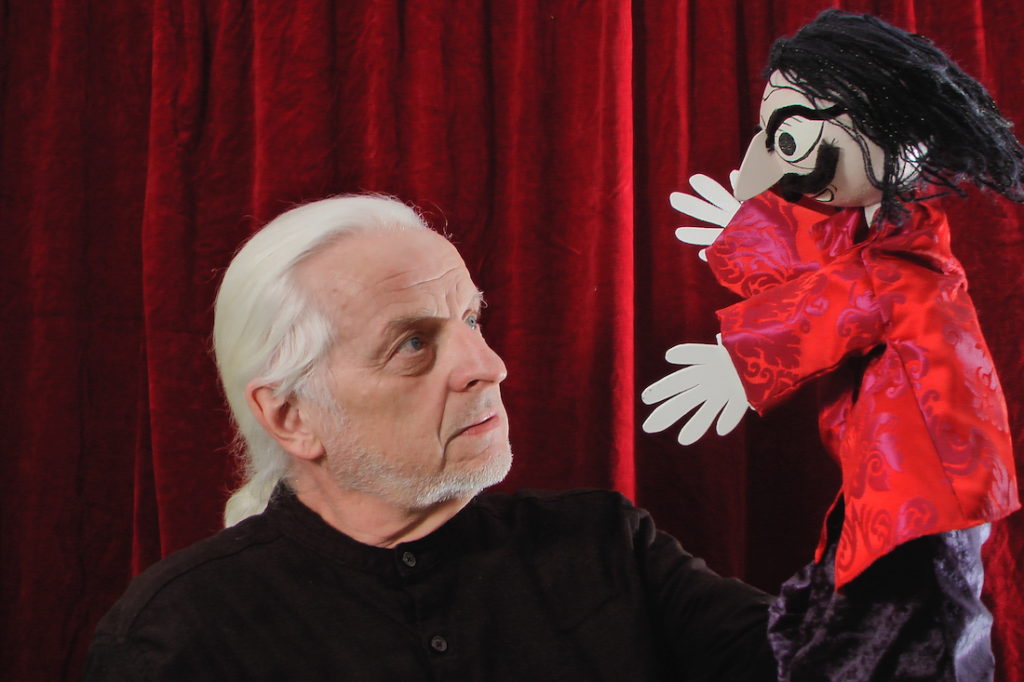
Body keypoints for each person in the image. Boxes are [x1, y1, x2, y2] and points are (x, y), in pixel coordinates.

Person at [85, 194, 776, 680]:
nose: (489, 366)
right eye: (413, 343)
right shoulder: (176, 634)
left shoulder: (607, 546)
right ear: (292, 416)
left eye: (471, 321)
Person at [643, 11, 1021, 681]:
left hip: (926, 490)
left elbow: (858, 295)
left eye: (789, 135)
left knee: (906, 638)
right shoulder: (881, 231)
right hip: (897, 477)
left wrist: (745, 361)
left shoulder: (910, 262)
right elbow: (831, 261)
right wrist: (744, 233)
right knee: (867, 614)